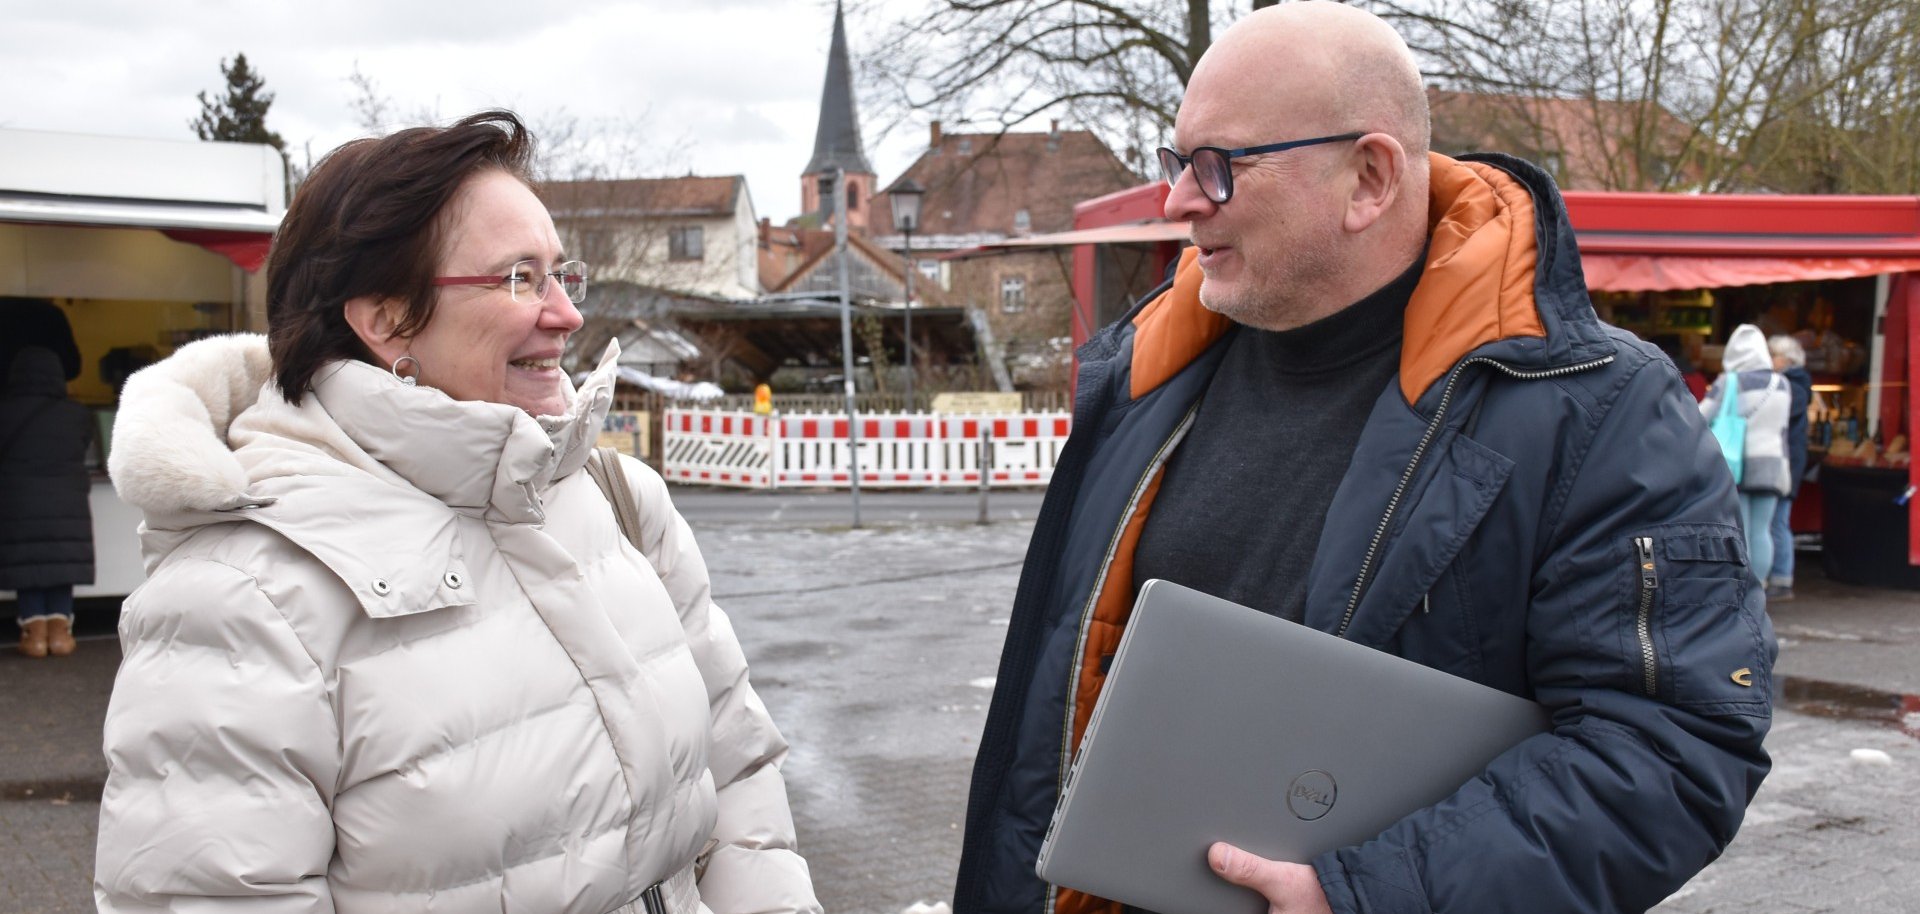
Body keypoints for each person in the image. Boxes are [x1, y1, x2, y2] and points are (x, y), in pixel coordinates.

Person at [953, 5, 1774, 913]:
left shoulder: (1596, 409)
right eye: (1174, 162)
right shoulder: (1145, 377)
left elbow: (1671, 747)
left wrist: (1374, 895)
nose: (1177, 200)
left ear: (1370, 178)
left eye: (1217, 167)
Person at [96, 111, 819, 914]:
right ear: (384, 321)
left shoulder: (618, 500)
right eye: (518, 278)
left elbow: (739, 774)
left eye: (560, 274)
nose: (567, 315)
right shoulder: (238, 600)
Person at [1, 346, 95, 658]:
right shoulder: (78, 414)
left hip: (18, 500)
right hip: (67, 501)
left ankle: (34, 635)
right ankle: (60, 634)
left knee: (27, 563)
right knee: (60, 561)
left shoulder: (5, 411)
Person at [1698, 324, 1792, 591]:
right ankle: (1759, 587)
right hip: (1772, 464)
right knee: (1762, 530)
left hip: (1737, 462)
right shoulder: (1782, 384)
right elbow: (1782, 429)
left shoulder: (1730, 382)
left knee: (1740, 530)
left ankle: (1742, 590)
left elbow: (1699, 415)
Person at [1766, 334, 1812, 600]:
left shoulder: (1791, 387)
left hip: (1786, 460)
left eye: (1773, 355)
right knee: (1776, 520)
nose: (1769, 360)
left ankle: (1782, 579)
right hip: (1788, 458)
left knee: (1777, 520)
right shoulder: (1796, 384)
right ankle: (1780, 576)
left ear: (1786, 359)